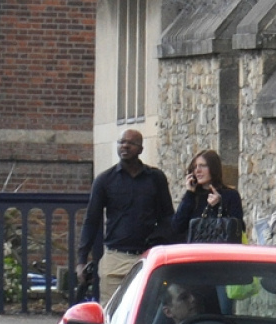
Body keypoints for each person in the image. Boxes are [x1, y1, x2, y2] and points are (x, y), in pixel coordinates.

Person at [77, 129, 175, 303]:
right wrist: (81, 260)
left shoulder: (155, 178)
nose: (125, 146)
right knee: (111, 313)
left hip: (146, 256)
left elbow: (167, 217)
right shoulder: (105, 180)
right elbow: (91, 220)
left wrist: (158, 238)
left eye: (131, 143)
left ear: (140, 149)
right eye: (121, 142)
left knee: (144, 311)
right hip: (116, 257)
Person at [172, 149, 244, 241]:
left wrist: (218, 206)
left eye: (203, 166)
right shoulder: (192, 196)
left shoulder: (230, 195)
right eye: (195, 167)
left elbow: (238, 228)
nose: (198, 170)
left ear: (213, 168)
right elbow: (177, 227)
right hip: (195, 251)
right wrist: (189, 194)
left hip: (220, 251)